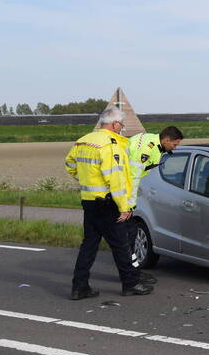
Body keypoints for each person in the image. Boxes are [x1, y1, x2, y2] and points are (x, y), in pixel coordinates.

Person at [65, 107, 153, 300]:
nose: (121, 129)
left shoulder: (83, 140)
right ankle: (130, 284)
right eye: (121, 125)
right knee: (121, 244)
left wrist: (85, 179)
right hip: (107, 203)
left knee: (89, 245)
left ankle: (79, 287)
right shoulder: (111, 145)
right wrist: (124, 207)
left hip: (89, 201)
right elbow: (116, 179)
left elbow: (69, 164)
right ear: (114, 124)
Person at [124, 125, 184, 281]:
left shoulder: (154, 143)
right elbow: (133, 177)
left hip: (122, 189)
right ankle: (130, 275)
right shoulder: (148, 148)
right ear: (166, 139)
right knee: (127, 237)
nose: (175, 148)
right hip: (122, 191)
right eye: (174, 144)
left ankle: (131, 272)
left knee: (126, 237)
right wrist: (129, 205)